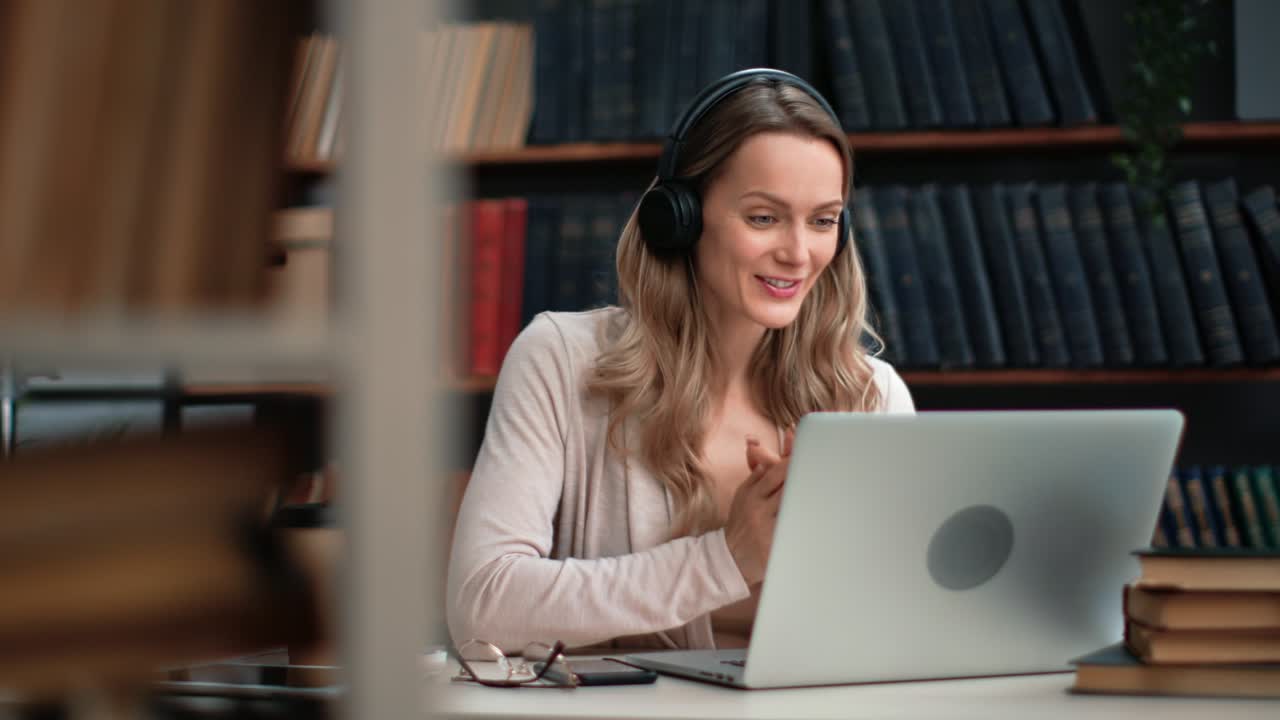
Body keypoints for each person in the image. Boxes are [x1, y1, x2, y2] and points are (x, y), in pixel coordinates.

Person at [446, 69, 915, 655]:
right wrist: (726, 557)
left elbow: (903, 628)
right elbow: (483, 605)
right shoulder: (561, 361)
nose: (798, 253)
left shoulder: (873, 397)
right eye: (763, 218)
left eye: (822, 221)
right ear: (679, 219)